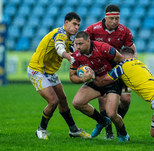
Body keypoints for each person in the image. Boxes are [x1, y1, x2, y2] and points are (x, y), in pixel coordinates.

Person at [27, 12, 91, 140]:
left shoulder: (70, 38)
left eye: (78, 25)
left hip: (49, 72)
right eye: (74, 24)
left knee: (63, 99)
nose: (76, 27)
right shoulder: (60, 34)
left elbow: (75, 53)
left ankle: (73, 130)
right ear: (66, 22)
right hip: (37, 70)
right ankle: (41, 129)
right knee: (53, 101)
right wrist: (68, 56)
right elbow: (59, 47)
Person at [85, 4, 136, 139]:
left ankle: (119, 124)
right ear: (106, 17)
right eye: (112, 18)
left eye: (117, 18)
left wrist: (132, 64)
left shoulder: (124, 31)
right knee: (103, 99)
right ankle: (109, 131)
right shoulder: (93, 29)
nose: (115, 21)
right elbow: (82, 44)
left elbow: (132, 49)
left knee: (126, 99)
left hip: (119, 69)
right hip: (101, 70)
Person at [69, 31, 130, 142]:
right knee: (77, 103)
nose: (77, 47)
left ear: (88, 41)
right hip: (96, 82)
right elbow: (72, 77)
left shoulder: (103, 48)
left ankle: (123, 134)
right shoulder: (76, 56)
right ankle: (102, 121)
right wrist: (83, 79)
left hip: (112, 82)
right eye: (76, 44)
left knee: (112, 114)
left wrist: (112, 77)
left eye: (80, 44)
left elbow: (122, 62)